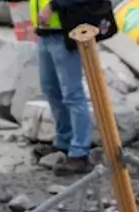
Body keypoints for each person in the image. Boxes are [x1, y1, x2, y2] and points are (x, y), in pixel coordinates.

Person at [32, 0, 95, 176]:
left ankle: (80, 153)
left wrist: (52, 7)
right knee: (51, 90)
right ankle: (63, 142)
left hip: (65, 32)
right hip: (45, 32)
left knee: (72, 95)